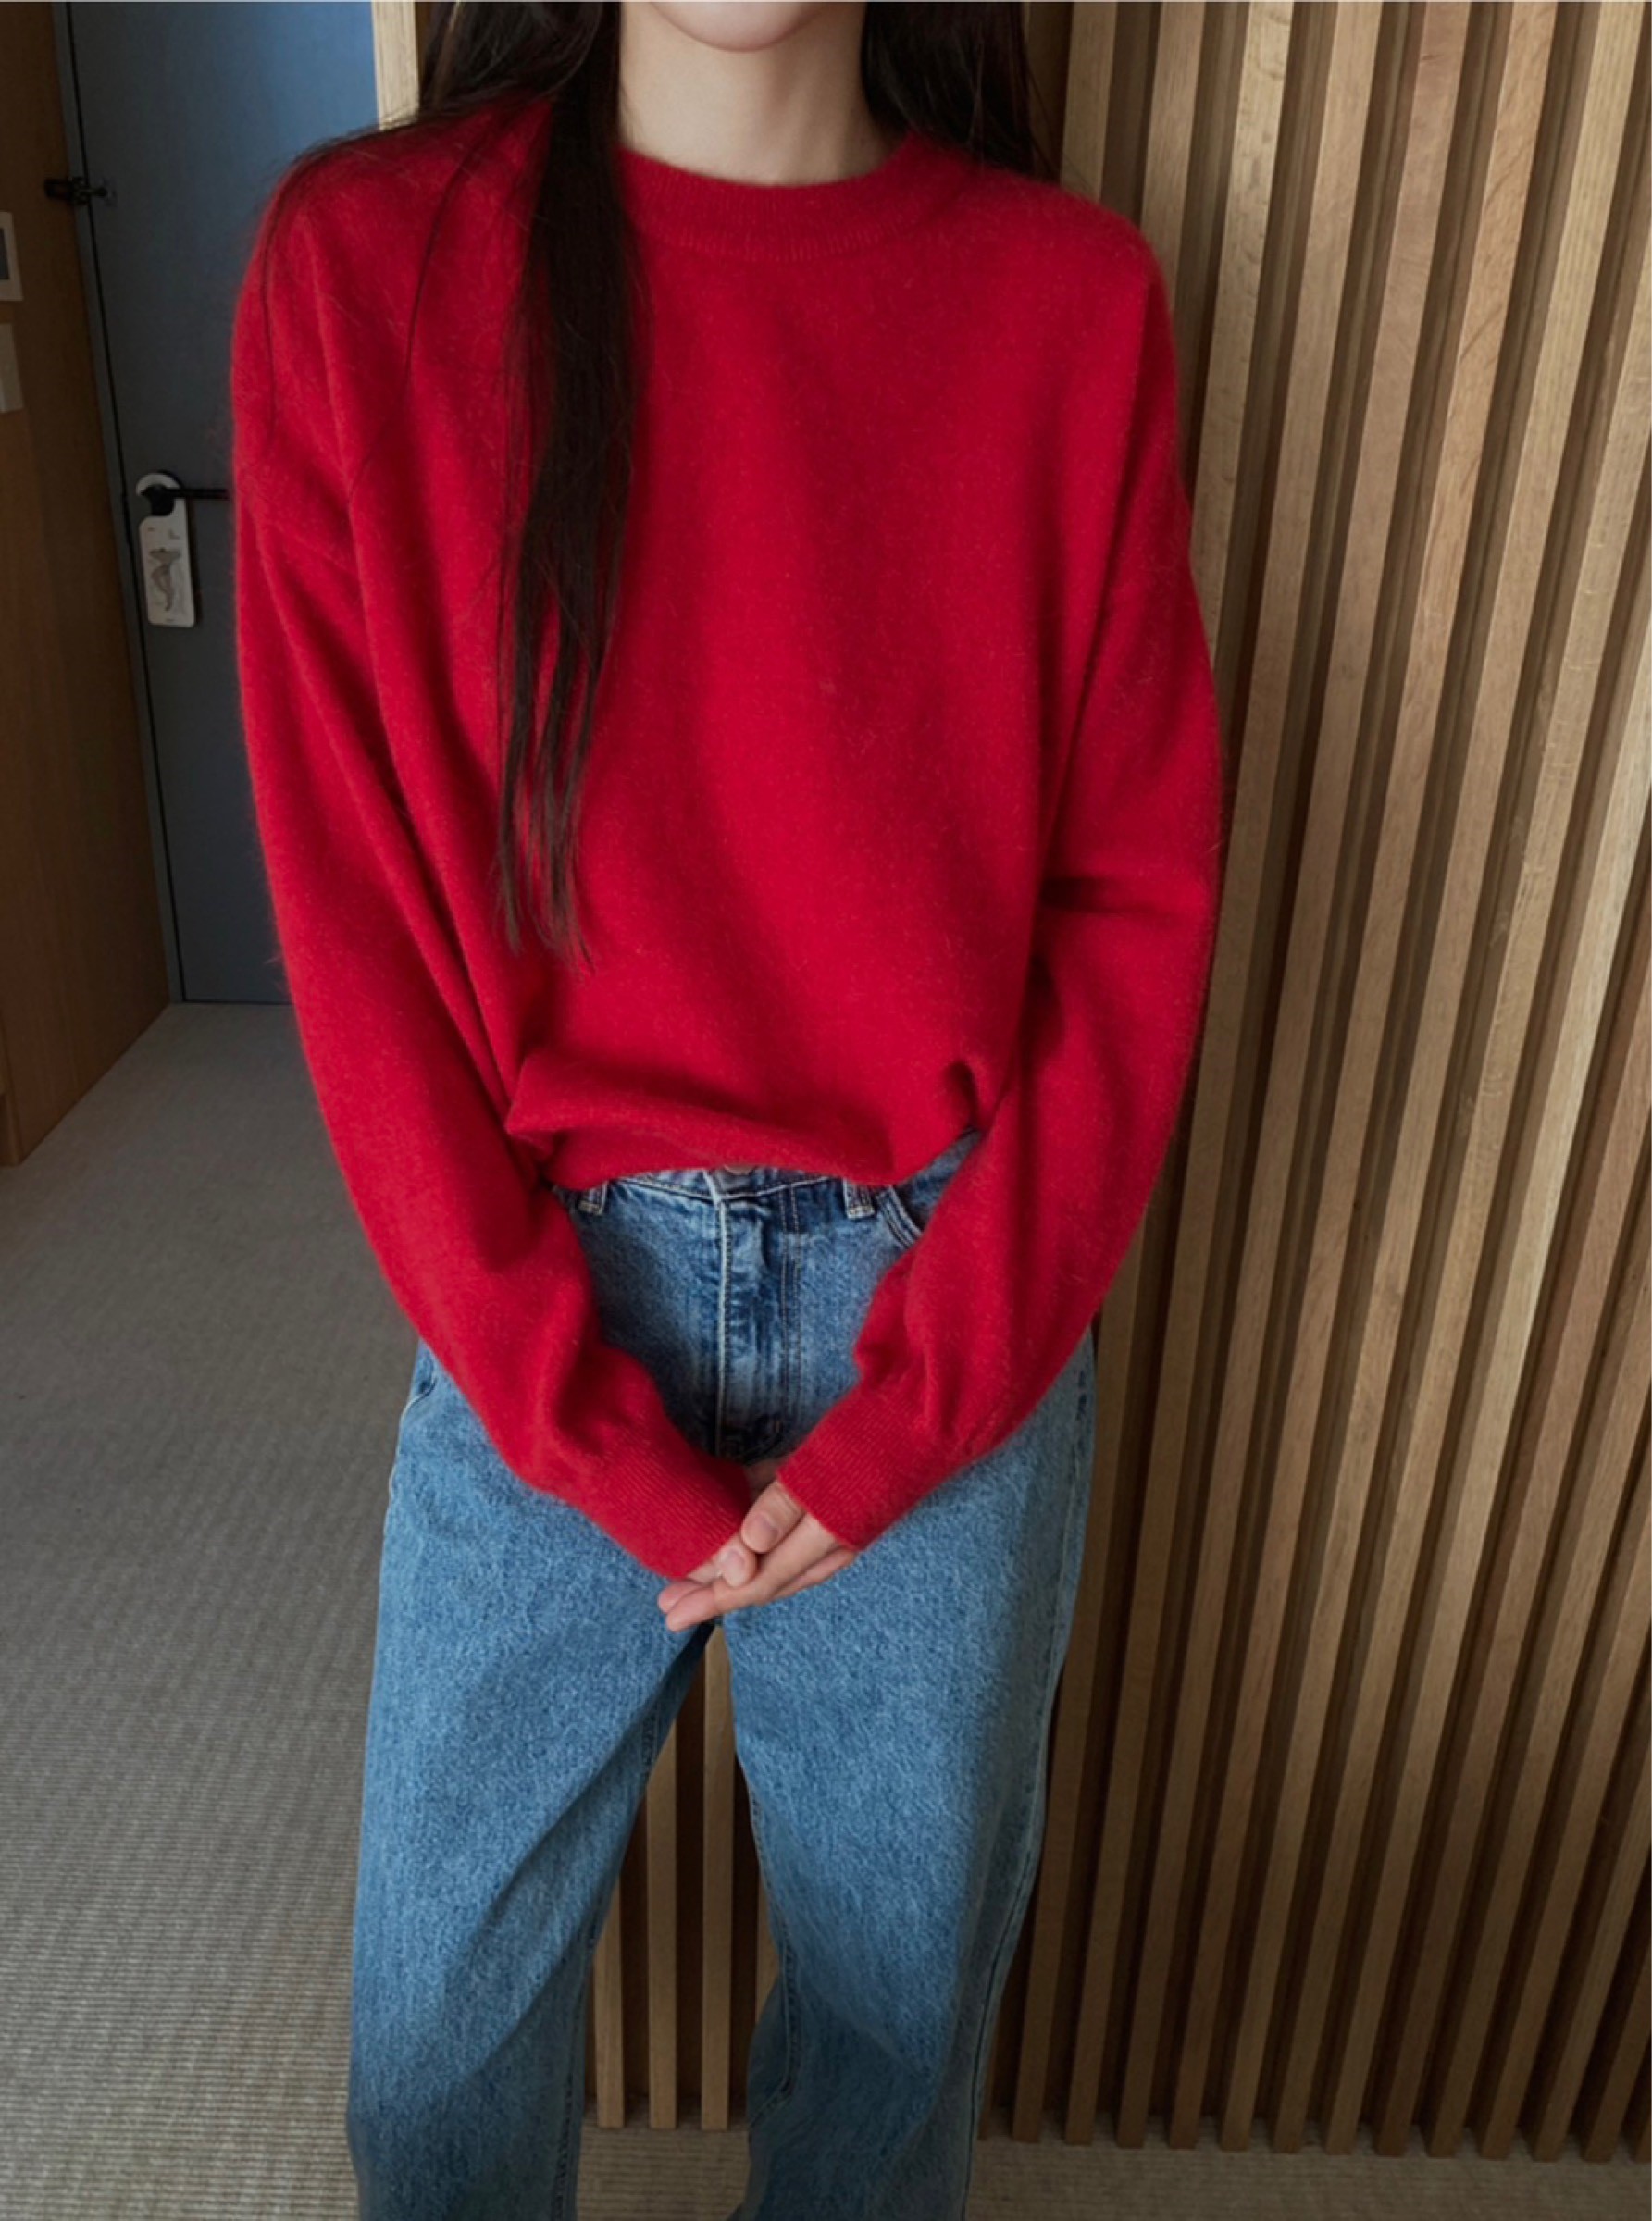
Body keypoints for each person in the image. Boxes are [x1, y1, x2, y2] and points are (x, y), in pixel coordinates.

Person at [229, 4, 1223, 2215]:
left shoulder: (1063, 309)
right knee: (436, 2053)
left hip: (940, 1309)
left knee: (895, 2027)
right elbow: (354, 924)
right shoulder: (364, 269)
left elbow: (1129, 905)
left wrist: (923, 1404)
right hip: (536, 1292)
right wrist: (561, 1406)